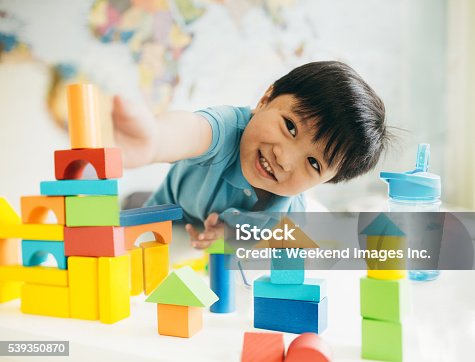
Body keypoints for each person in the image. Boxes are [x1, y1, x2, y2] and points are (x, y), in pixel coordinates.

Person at [112, 61, 389, 249]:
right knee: (130, 225)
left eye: (314, 163)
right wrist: (156, 139)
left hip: (205, 235)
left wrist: (228, 235)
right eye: (290, 127)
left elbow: (264, 243)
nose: (285, 159)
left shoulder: (288, 217)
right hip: (170, 206)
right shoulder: (229, 128)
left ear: (324, 182)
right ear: (265, 99)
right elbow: (193, 130)